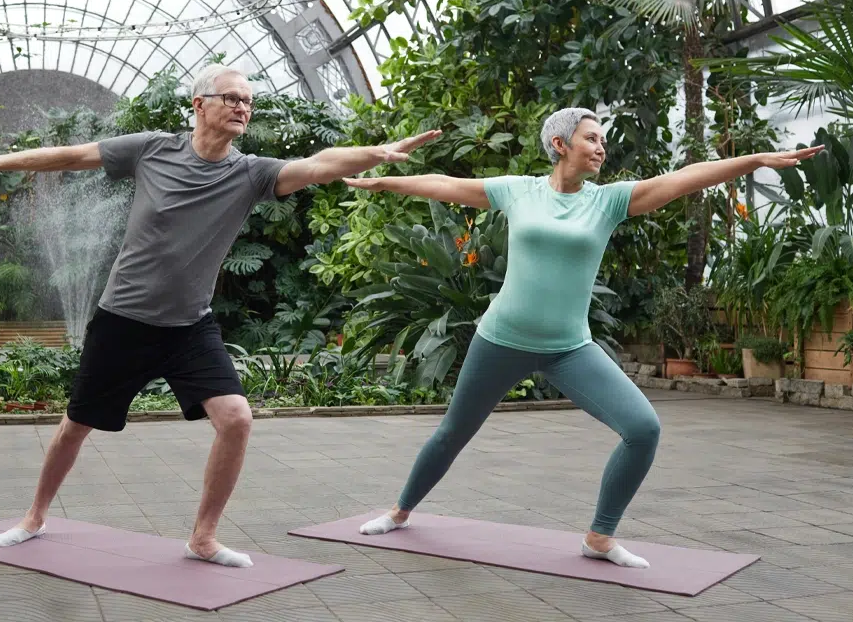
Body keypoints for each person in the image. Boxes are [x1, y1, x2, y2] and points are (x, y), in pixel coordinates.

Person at [0, 64, 440, 567]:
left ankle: (203, 538)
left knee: (236, 419)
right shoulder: (152, 149)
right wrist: (0, 162)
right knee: (76, 424)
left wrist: (377, 153)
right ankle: (33, 517)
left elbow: (317, 164)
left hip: (189, 326)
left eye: (248, 102)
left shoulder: (251, 173)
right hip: (123, 320)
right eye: (231, 98)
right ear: (199, 104)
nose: (242, 108)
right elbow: (73, 156)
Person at [346, 107, 822, 568]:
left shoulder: (609, 200)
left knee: (643, 429)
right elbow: (446, 185)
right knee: (453, 432)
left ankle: (600, 536)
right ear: (560, 145)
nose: (601, 147)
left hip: (569, 348)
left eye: (602, 140)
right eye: (591, 138)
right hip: (500, 340)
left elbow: (686, 178)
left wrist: (754, 160)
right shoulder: (518, 191)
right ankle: (400, 511)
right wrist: (384, 179)